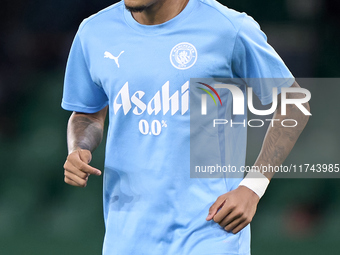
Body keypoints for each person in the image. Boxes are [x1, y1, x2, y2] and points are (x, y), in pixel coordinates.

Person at [61, 0, 309, 254]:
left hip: (210, 231)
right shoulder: (94, 32)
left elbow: (295, 104)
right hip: (127, 237)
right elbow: (88, 113)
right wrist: (78, 147)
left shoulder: (228, 27)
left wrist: (253, 187)